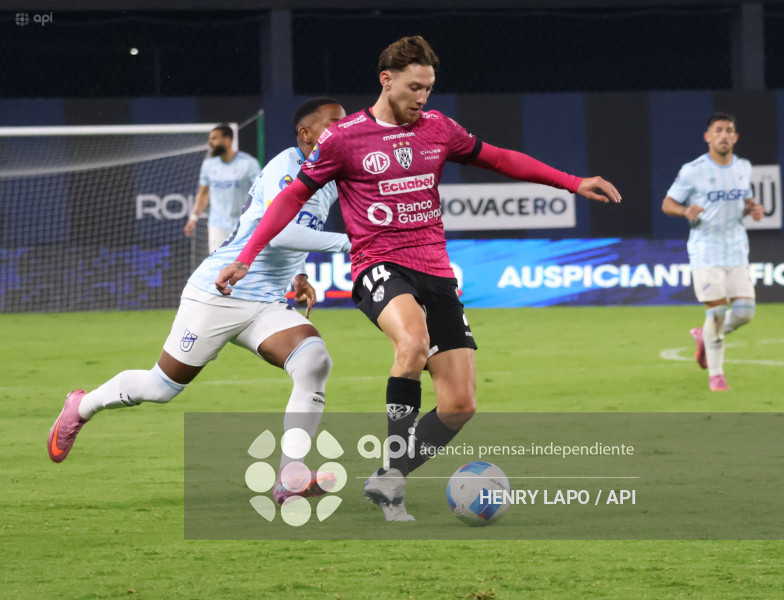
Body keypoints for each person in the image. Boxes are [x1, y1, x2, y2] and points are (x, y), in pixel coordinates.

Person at [215, 36, 621, 521]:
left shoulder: (438, 128)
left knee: (459, 405)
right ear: (386, 80)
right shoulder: (344, 137)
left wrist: (573, 182)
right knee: (412, 343)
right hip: (379, 264)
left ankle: (389, 474)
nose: (422, 97)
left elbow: (499, 158)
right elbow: (290, 199)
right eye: (414, 87)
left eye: (428, 88)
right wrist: (247, 256)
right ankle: (394, 486)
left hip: (435, 271)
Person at [49, 98, 351, 503]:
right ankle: (81, 406)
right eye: (334, 123)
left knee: (313, 362)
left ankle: (288, 476)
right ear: (306, 133)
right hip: (219, 293)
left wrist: (298, 274)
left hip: (266, 302)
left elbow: (293, 231)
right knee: (160, 387)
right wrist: (353, 242)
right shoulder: (287, 167)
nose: (343, 130)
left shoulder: (329, 178)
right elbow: (279, 232)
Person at [662, 112, 763, 391]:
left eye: (729, 130)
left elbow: (746, 201)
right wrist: (685, 211)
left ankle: (703, 336)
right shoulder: (693, 170)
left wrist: (753, 209)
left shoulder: (743, 167)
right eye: (718, 130)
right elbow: (668, 204)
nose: (724, 135)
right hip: (706, 252)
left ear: (736, 137)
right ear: (708, 137)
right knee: (717, 312)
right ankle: (716, 376)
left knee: (744, 313)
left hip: (737, 250)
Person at [184, 124, 261, 253]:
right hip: (217, 225)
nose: (210, 143)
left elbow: (261, 191)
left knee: (242, 263)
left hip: (244, 224)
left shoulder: (248, 163)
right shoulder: (208, 165)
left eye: (214, 138)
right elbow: (203, 194)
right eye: (210, 139)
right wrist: (193, 218)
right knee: (217, 263)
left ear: (228, 140)